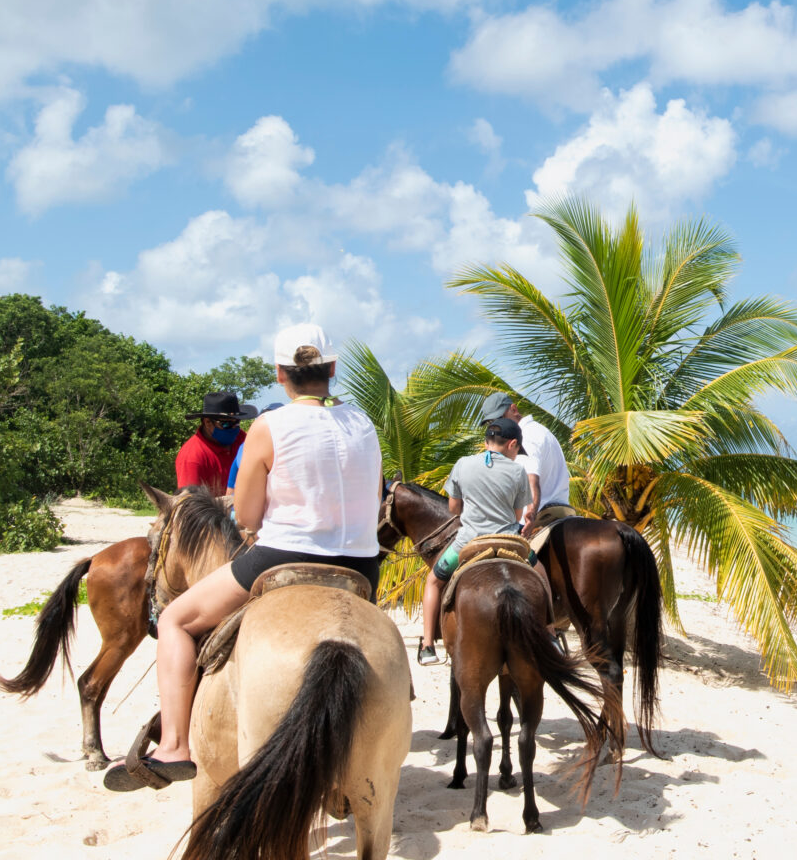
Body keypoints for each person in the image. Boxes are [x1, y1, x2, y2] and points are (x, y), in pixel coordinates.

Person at [105, 323, 384, 792]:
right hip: (362, 565)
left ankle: (173, 746)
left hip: (281, 555)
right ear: (332, 369)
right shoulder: (363, 422)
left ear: (280, 375)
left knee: (175, 619)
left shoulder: (268, 425)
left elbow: (250, 514)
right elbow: (373, 501)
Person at [418, 416, 540, 665]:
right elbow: (517, 515)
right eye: (518, 450)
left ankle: (428, 645)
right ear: (512, 444)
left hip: (468, 542)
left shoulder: (463, 464)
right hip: (508, 540)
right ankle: (548, 635)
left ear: (487, 442)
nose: (517, 454)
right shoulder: (518, 470)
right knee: (541, 574)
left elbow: (454, 508)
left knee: (432, 582)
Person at [483, 392, 570, 516]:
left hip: (539, 514)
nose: (498, 426)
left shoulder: (525, 436)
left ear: (513, 409)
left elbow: (531, 480)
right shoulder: (539, 430)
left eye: (499, 419)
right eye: (491, 423)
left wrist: (531, 514)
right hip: (561, 509)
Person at [175, 390, 251, 496]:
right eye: (226, 423)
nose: (233, 428)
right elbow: (191, 504)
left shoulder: (242, 440)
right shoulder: (192, 456)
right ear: (207, 422)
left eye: (236, 423)